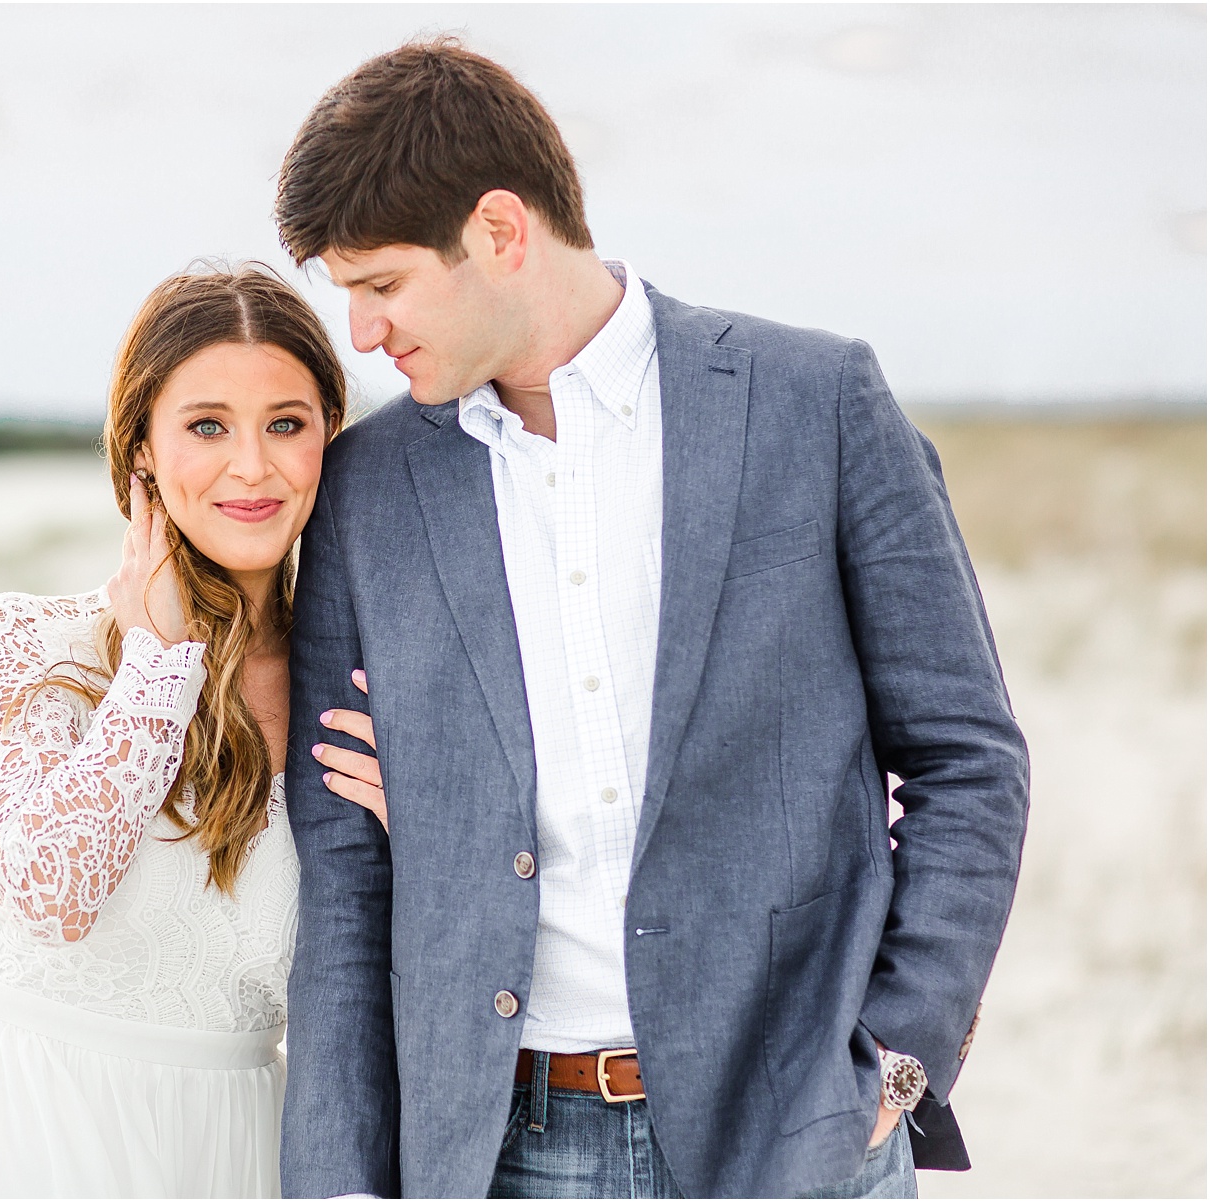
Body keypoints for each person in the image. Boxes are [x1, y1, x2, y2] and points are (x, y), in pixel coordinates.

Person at [277, 39, 1030, 1199]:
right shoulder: (366, 488)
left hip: (800, 1128)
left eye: (380, 285)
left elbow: (968, 755)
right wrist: (338, 1179)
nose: (362, 332)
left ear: (499, 231)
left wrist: (901, 1051)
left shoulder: (814, 403)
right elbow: (342, 874)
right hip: (499, 1148)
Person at [0, 265, 385, 1197]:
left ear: (329, 439)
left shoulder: (361, 693)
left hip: (241, 1152)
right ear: (144, 452)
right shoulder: (31, 646)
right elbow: (52, 891)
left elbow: (391, 997)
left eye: (286, 424)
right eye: (208, 426)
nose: (253, 465)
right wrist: (160, 670)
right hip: (33, 1133)